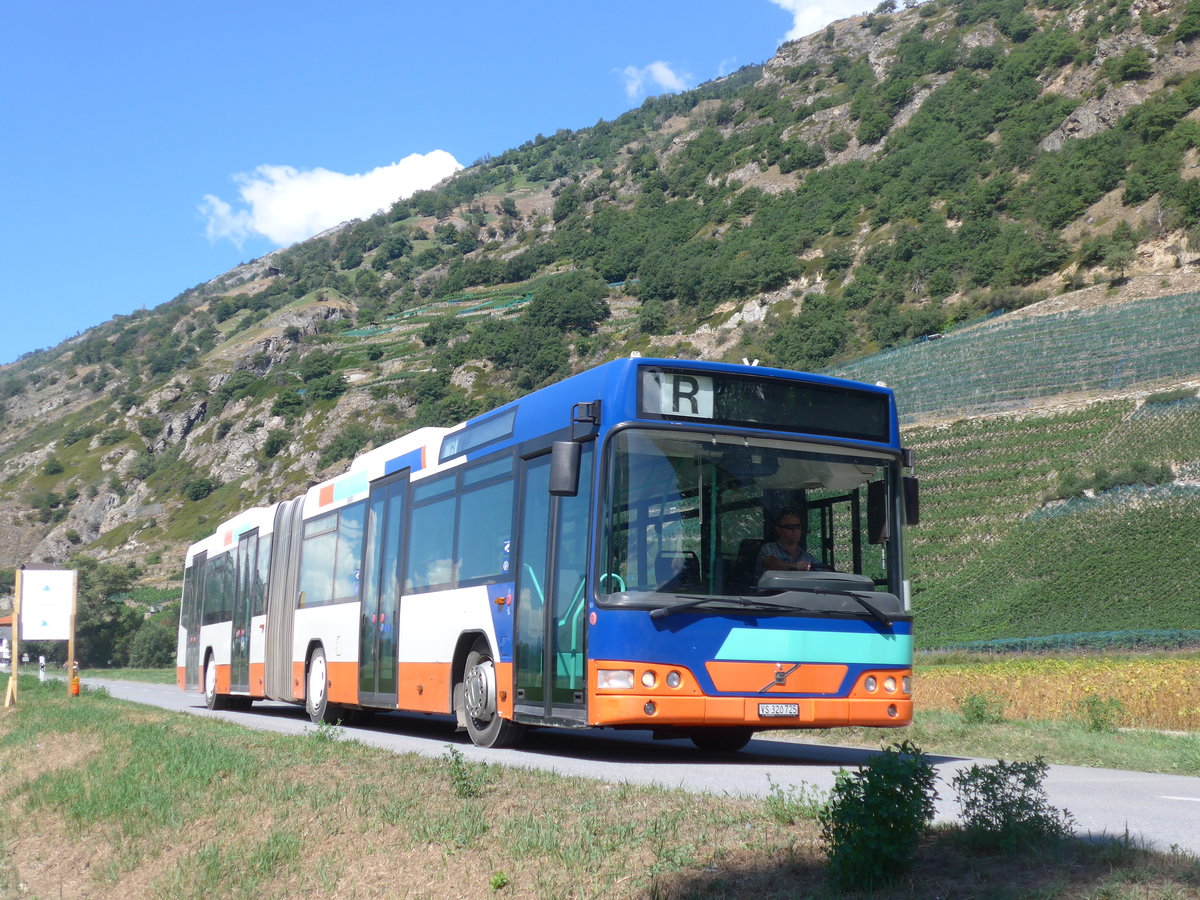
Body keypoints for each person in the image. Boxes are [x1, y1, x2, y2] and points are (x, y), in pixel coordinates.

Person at [756, 510, 818, 576]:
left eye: (798, 527)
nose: (795, 530)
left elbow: (824, 569)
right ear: (778, 530)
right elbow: (772, 564)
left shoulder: (806, 556)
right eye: (790, 527)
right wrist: (795, 566)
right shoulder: (768, 548)